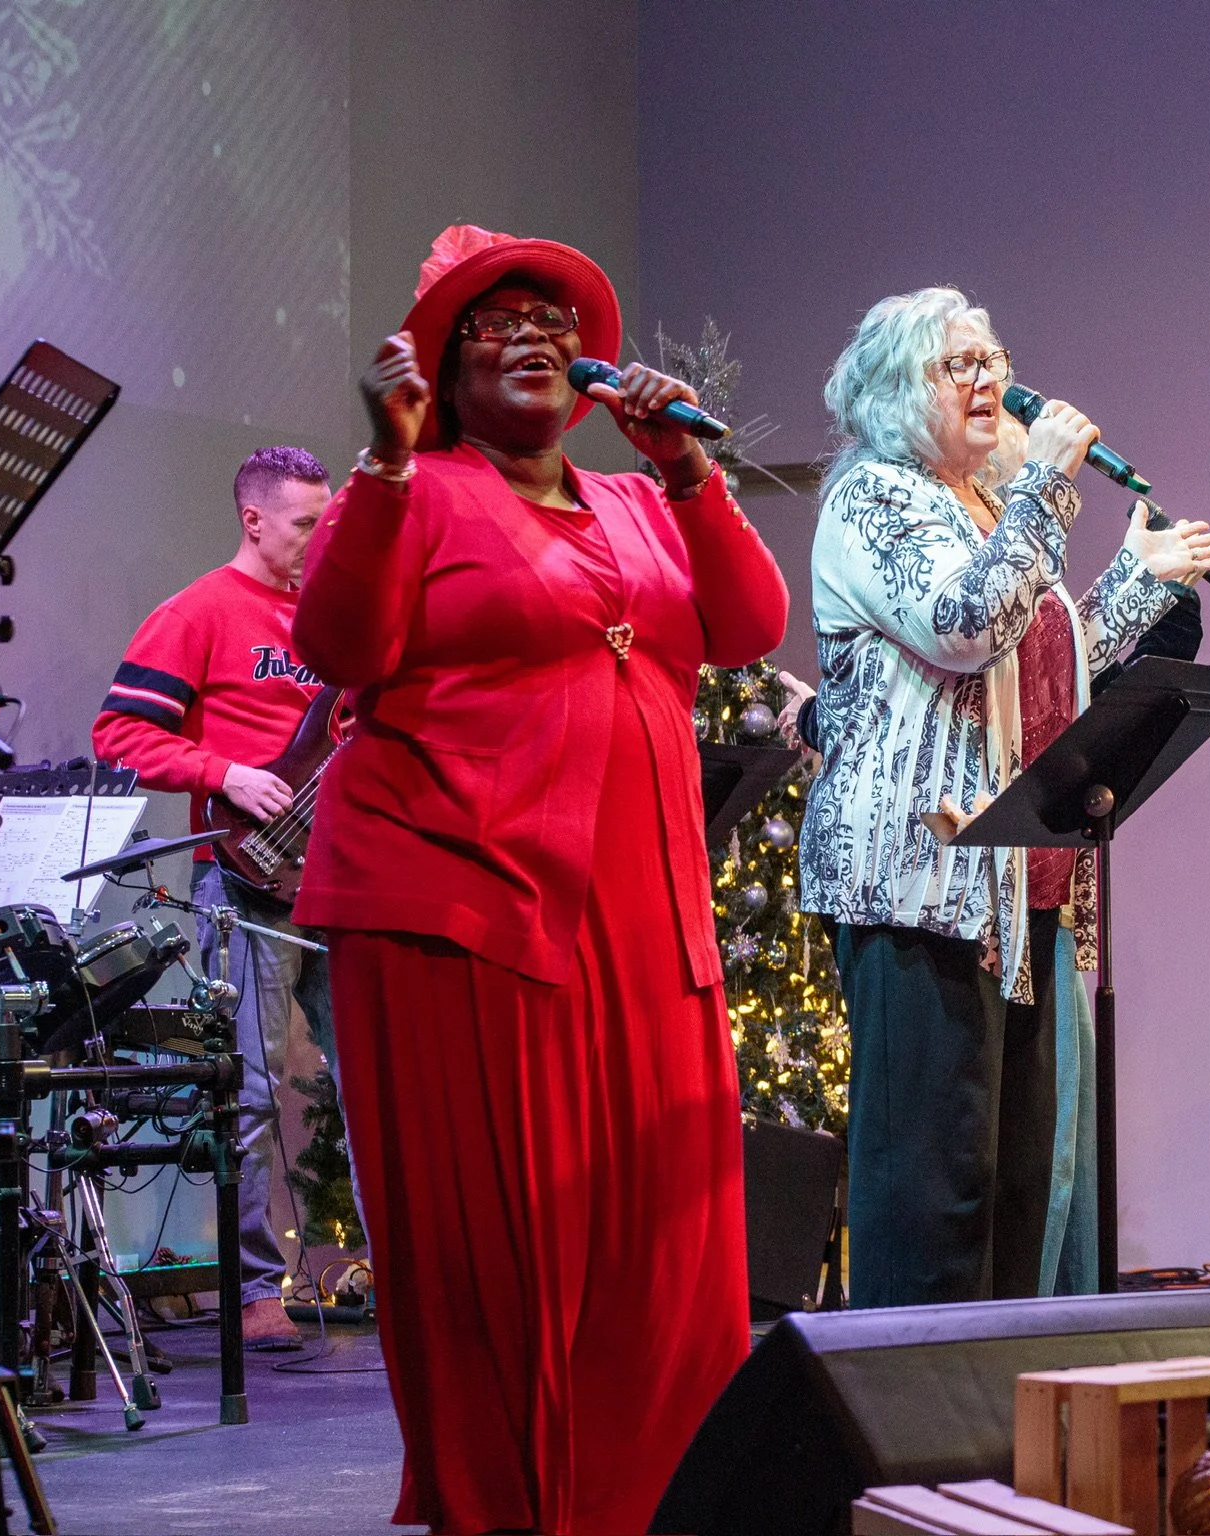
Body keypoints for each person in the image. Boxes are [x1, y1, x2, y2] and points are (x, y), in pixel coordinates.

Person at [289, 223, 787, 1534]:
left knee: (662, 1247)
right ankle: (515, 1508)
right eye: (495, 324)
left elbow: (747, 626)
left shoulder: (639, 499)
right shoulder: (416, 490)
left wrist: (685, 467)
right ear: (443, 373)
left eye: (553, 323)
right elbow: (339, 644)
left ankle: (656, 1504)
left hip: (643, 914)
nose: (533, 339)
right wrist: (385, 461)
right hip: (465, 907)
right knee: (507, 1247)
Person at [800, 286, 1210, 1309]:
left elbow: (1040, 677)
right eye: (961, 363)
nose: (990, 378)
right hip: (918, 885)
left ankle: (997, 1393)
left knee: (1013, 1184)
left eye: (993, 358)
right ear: (899, 389)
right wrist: (1043, 488)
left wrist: (1139, 581)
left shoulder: (982, 508)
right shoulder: (876, 498)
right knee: (935, 1189)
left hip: (1016, 888)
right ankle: (912, 1402)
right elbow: (963, 626)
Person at [92, 444, 338, 1354]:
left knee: (377, 1080)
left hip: (344, 876)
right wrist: (224, 771)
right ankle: (256, 1288)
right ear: (253, 519)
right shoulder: (198, 611)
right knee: (251, 1089)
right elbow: (119, 733)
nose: (320, 537)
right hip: (248, 876)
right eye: (306, 523)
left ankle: (412, 1274)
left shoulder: (335, 622)